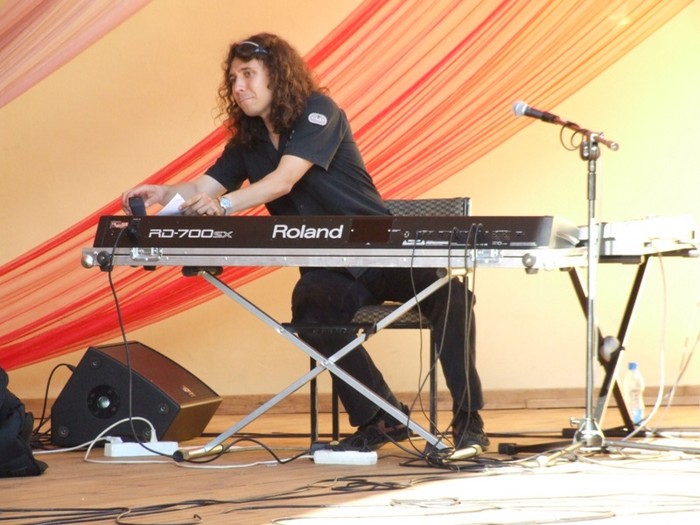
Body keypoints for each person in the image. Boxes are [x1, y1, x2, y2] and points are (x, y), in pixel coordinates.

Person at [122, 33, 488, 455]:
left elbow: (283, 180)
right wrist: (163, 193)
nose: (238, 86)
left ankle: (469, 422)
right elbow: (200, 188)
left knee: (454, 295)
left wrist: (222, 205)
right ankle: (381, 417)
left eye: (248, 74)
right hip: (327, 265)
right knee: (313, 309)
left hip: (381, 249)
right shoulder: (248, 141)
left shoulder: (319, 111)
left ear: (277, 75)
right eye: (233, 79)